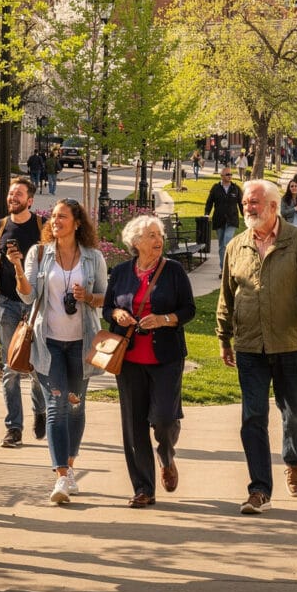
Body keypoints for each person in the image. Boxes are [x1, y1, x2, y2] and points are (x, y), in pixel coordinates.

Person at [216, 179, 297, 515]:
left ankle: (293, 458)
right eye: (245, 204)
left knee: (295, 411)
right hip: (250, 345)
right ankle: (259, 490)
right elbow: (227, 296)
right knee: (252, 417)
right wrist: (223, 337)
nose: (248, 208)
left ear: (272, 206)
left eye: (254, 202)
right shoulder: (235, 246)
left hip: (291, 343)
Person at [15, 198, 107, 505]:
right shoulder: (39, 253)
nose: (56, 221)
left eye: (62, 216)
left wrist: (87, 296)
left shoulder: (93, 257)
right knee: (56, 407)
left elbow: (105, 298)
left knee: (76, 405)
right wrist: (17, 268)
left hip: (82, 344)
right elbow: (28, 297)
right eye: (53, 216)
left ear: (77, 222)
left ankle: (70, 463)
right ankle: (62, 476)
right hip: (48, 342)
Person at [103, 215, 196, 507]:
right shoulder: (120, 272)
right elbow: (108, 307)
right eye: (151, 235)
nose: (159, 241)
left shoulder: (174, 271)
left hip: (166, 357)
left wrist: (165, 319)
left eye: (159, 235)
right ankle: (143, 488)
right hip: (129, 359)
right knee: (133, 426)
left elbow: (189, 309)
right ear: (136, 242)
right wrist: (117, 314)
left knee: (164, 419)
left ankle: (166, 455)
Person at [0, 176, 47, 448]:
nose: (12, 198)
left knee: (36, 366)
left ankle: (40, 410)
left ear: (30, 200)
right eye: (10, 194)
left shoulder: (42, 226)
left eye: (18, 194)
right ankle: (14, 428)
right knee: (10, 368)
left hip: (34, 304)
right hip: (6, 302)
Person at [204, 167, 244, 271]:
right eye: (227, 175)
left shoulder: (235, 188)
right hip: (219, 220)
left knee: (227, 241)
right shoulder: (216, 188)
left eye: (231, 174)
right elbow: (209, 202)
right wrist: (207, 214)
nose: (230, 176)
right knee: (222, 246)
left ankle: (230, 267)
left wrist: (245, 216)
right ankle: (224, 269)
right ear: (222, 176)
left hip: (232, 220)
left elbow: (241, 204)